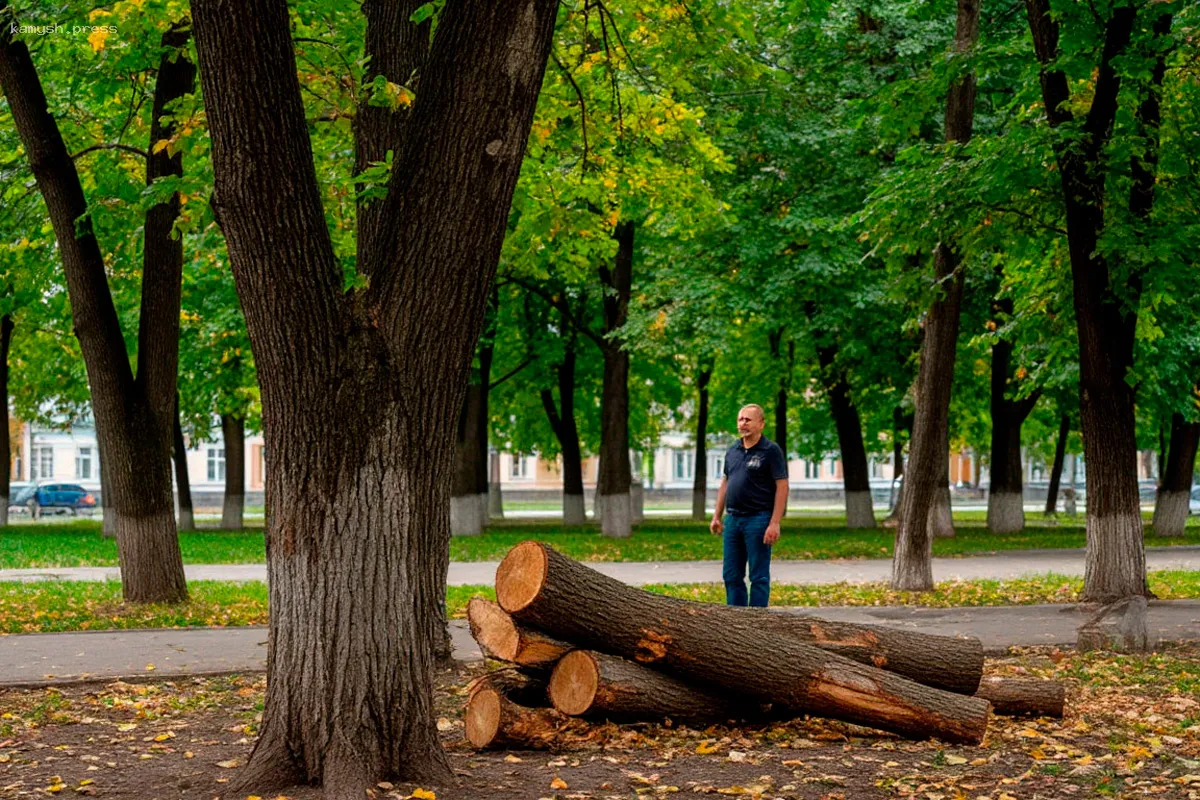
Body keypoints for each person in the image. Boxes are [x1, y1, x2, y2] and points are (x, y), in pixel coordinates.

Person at [709, 404, 789, 607]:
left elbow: (782, 486)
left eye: (748, 420)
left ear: (761, 424)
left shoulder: (771, 451)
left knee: (758, 576)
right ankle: (738, 624)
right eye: (740, 419)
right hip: (733, 520)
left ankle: (758, 623)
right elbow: (725, 483)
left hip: (758, 520)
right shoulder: (732, 451)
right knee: (731, 576)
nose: (743, 424)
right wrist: (716, 516)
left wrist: (775, 522)